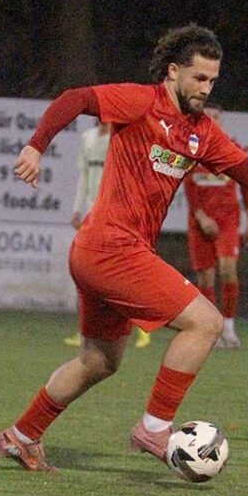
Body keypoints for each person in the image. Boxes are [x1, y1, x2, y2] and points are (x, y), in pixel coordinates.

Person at [0, 24, 248, 472]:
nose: (206, 88)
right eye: (199, 78)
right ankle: (154, 427)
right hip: (110, 246)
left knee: (100, 360)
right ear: (173, 72)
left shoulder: (202, 132)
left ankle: (22, 435)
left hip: (101, 251)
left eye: (212, 81)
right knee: (205, 322)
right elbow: (75, 98)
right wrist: (35, 146)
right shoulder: (141, 101)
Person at [64, 121, 151, 349]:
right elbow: (83, 176)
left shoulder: (122, 135)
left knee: (125, 273)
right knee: (87, 273)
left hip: (114, 210)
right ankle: (85, 330)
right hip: (93, 210)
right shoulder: (88, 137)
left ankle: (143, 327)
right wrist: (77, 208)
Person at [183, 101, 248, 349]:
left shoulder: (233, 149)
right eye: (208, 116)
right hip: (199, 222)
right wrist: (201, 216)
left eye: (217, 116)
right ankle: (211, 328)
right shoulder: (193, 150)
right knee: (205, 276)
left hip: (227, 221)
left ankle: (229, 327)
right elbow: (189, 186)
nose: (213, 119)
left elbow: (247, 188)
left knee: (227, 269)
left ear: (222, 121)